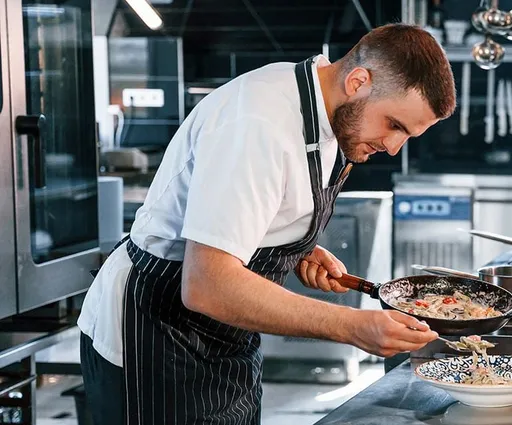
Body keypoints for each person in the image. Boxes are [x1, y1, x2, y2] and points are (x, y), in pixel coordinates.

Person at [77, 23, 456, 424]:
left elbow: (250, 201)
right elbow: (206, 285)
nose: (393, 147)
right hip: (156, 332)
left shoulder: (325, 110)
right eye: (394, 125)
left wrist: (291, 245)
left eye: (407, 135)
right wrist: (351, 326)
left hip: (222, 338)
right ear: (358, 81)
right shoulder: (259, 121)